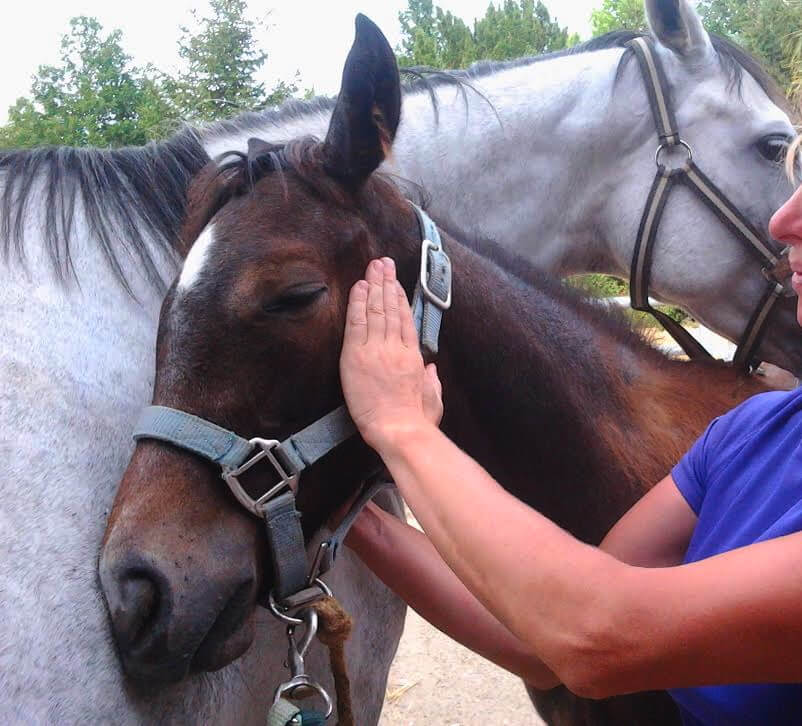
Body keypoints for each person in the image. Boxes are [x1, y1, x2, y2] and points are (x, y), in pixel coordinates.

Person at [336, 174, 802, 725]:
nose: (781, 221)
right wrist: (353, 514)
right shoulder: (753, 432)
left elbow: (595, 638)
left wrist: (403, 430)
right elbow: (540, 644)